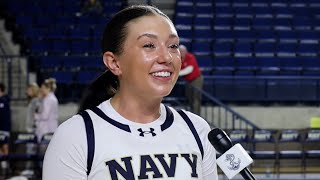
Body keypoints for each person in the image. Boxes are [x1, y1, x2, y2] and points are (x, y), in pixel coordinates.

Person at [43, 5, 218, 180]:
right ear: (114, 63)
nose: (166, 57)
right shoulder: (75, 136)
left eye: (173, 46)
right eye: (149, 45)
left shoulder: (197, 129)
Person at [20, 82, 42, 177]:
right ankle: (32, 170)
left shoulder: (36, 100)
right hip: (30, 129)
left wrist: (34, 126)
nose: (26, 91)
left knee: (31, 150)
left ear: (33, 90)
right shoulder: (32, 100)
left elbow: (38, 114)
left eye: (29, 90)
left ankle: (30, 170)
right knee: (31, 150)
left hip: (33, 130)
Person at [179, 44, 203, 115]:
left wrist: (177, 73)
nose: (182, 52)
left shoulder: (190, 57)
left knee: (196, 97)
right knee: (189, 97)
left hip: (196, 79)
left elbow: (189, 69)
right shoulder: (178, 58)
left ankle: (197, 115)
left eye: (183, 51)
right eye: (180, 51)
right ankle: (191, 114)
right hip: (188, 80)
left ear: (186, 51)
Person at [34, 78, 59, 143]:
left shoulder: (48, 99)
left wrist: (36, 116)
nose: (41, 90)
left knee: (44, 150)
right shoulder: (52, 98)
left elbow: (45, 116)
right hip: (51, 127)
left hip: (46, 129)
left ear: (48, 89)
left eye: (43, 88)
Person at [0, 83, 11, 172]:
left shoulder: (4, 101)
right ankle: (3, 164)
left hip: (4, 128)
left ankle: (6, 166)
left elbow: (4, 116)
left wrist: (6, 129)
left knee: (4, 146)